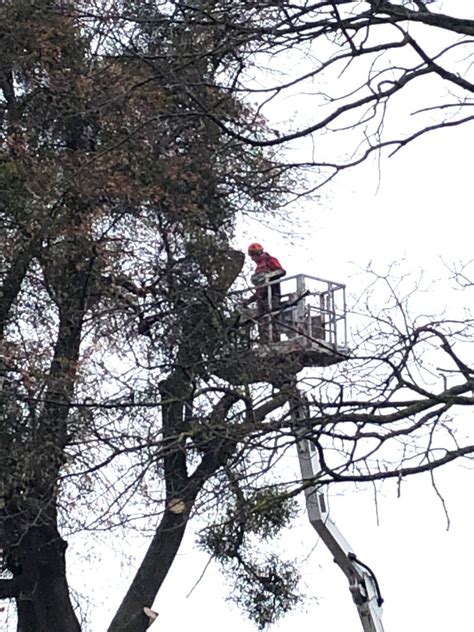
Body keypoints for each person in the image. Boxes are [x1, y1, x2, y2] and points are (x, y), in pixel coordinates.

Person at [242, 243, 286, 342]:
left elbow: (281, 271)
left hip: (272, 294)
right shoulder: (258, 268)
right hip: (262, 297)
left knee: (272, 317)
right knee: (262, 320)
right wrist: (249, 301)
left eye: (252, 256)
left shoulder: (270, 260)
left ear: (257, 254)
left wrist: (269, 276)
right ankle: (264, 341)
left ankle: (275, 339)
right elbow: (259, 289)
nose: (252, 259)